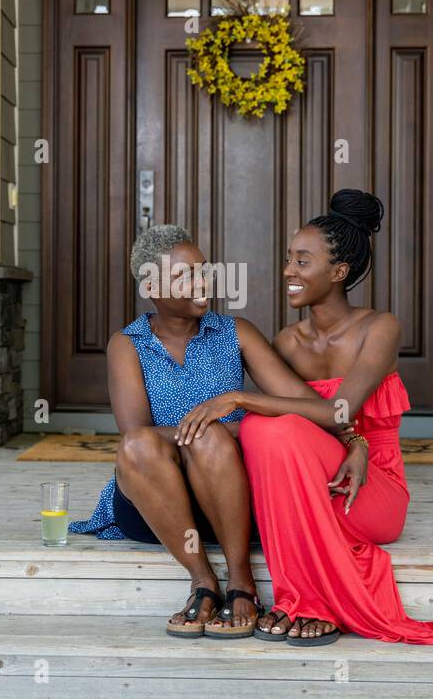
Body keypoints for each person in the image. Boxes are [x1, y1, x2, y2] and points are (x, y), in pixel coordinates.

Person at [176, 190, 433, 647]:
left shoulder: (379, 328)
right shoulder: (288, 342)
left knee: (263, 420)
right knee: (266, 428)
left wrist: (240, 398)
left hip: (367, 491)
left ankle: (311, 599)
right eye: (289, 259)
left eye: (302, 262)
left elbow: (338, 412)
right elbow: (301, 430)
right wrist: (350, 441)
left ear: (338, 272)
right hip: (307, 488)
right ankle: (300, 593)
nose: (288, 270)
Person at [69, 224, 369, 640]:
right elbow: (139, 436)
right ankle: (203, 581)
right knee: (143, 442)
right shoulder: (127, 344)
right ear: (152, 286)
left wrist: (353, 439)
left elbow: (317, 410)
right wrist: (221, 428)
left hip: (234, 508)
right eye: (185, 275)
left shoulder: (235, 333)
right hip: (158, 508)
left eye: (204, 270)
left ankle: (241, 581)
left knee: (207, 437)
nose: (202, 282)